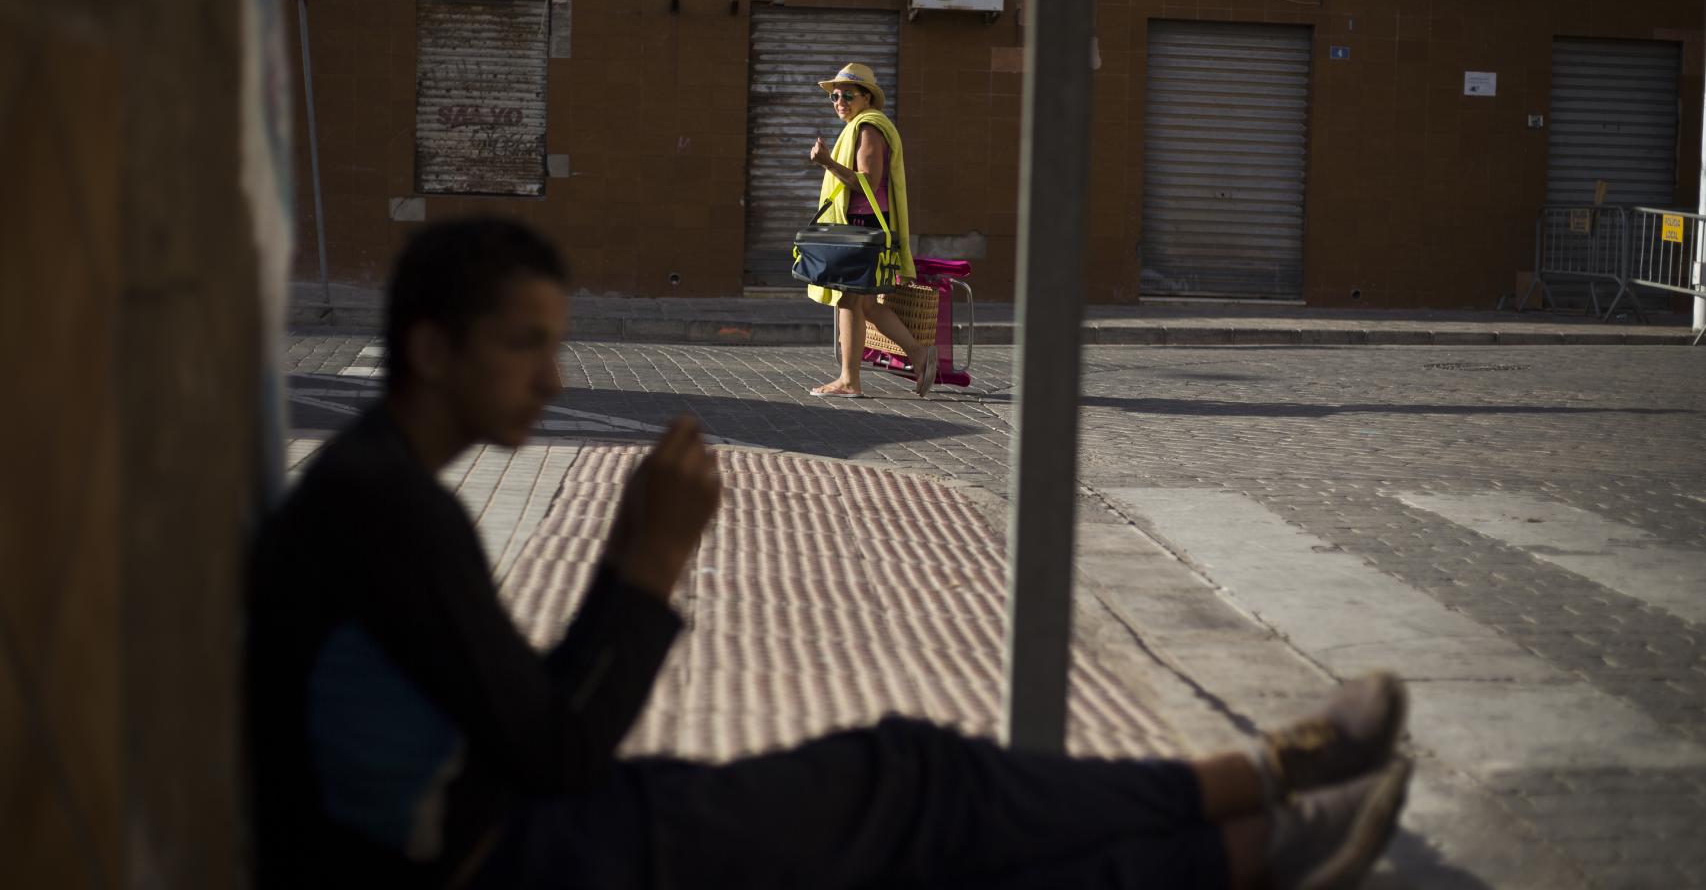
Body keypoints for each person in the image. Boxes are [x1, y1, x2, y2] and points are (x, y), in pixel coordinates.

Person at [246, 217, 1415, 889]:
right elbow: (553, 747)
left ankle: (1246, 818)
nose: (553, 380)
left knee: (918, 800)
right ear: (434, 349)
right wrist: (647, 566)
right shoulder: (382, 512)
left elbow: (526, 730)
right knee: (906, 787)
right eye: (523, 346)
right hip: (506, 859)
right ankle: (1247, 826)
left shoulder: (377, 494)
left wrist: (632, 571)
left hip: (512, 828)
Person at [803, 62, 937, 399]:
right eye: (834, 96)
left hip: (864, 228)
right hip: (862, 228)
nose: (840, 102)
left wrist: (828, 163)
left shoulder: (869, 129)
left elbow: (867, 183)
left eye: (848, 95)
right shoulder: (860, 126)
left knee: (849, 302)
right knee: (866, 305)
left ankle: (849, 380)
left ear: (867, 98)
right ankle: (919, 353)